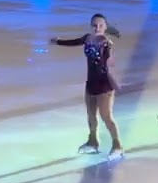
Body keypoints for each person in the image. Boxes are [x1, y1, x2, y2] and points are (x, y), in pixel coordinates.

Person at [51, 13, 124, 161]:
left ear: (105, 27)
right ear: (91, 26)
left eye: (100, 25)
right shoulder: (87, 38)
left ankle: (117, 145)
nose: (97, 28)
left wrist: (115, 82)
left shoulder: (107, 44)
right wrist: (58, 42)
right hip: (91, 83)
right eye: (95, 25)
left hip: (104, 85)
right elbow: (74, 42)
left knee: (106, 117)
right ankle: (93, 141)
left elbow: (110, 64)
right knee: (91, 115)